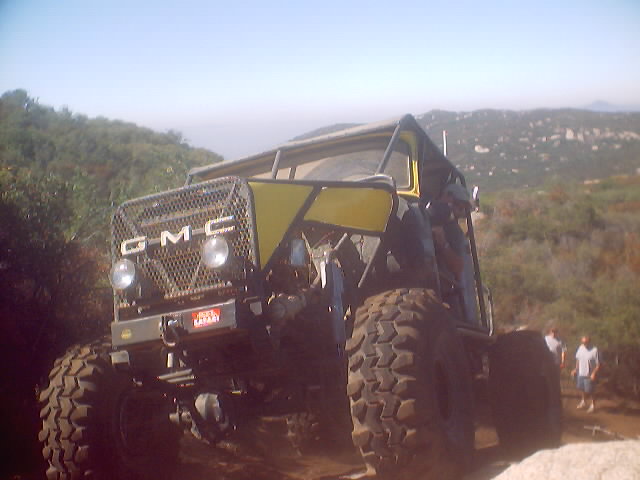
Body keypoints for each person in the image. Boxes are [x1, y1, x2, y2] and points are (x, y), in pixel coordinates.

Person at [430, 183, 471, 280]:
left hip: (444, 285)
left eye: (461, 207)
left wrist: (443, 244)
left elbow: (458, 268)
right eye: (458, 205)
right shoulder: (421, 217)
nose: (459, 211)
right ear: (446, 196)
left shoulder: (453, 231)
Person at [571, 335, 601, 413]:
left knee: (590, 390)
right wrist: (576, 369)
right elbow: (578, 359)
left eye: (585, 342)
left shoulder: (595, 350)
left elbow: (598, 364)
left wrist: (594, 373)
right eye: (583, 342)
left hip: (589, 374)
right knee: (581, 388)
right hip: (581, 372)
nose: (584, 344)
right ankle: (583, 401)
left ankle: (593, 405)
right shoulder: (580, 348)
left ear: (589, 342)